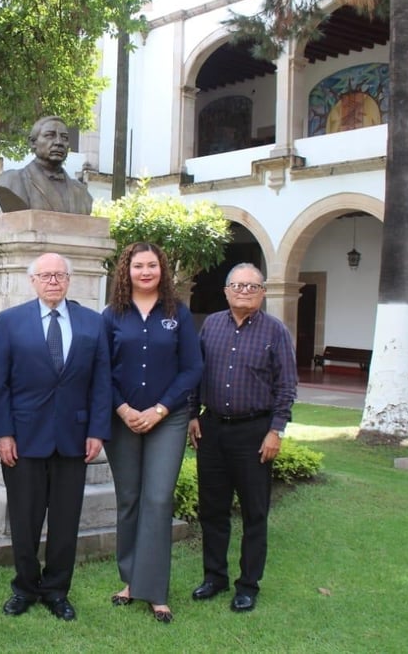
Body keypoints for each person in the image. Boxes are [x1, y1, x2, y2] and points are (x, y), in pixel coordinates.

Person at [0, 252, 111, 622]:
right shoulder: (10, 322)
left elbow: (101, 382)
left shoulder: (93, 323)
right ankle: (25, 588)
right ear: (33, 281)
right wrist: (4, 433)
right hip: (24, 438)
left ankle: (57, 591)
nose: (53, 281)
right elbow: (0, 384)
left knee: (65, 521)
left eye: (60, 275)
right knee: (24, 521)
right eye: (46, 275)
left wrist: (97, 431)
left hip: (74, 439)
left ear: (69, 280)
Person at [101, 243, 203, 624]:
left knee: (158, 500)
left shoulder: (179, 314)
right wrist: (124, 409)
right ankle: (130, 582)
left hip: (168, 418)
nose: (146, 272)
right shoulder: (112, 316)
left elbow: (192, 368)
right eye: (138, 266)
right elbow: (101, 370)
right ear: (126, 271)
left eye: (153, 265)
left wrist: (160, 409)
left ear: (162, 269)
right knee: (129, 499)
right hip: (122, 419)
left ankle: (156, 591)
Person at [187, 263, 297, 614]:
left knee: (254, 512)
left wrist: (275, 430)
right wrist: (192, 415)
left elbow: (286, 386)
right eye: (238, 285)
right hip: (213, 428)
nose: (244, 291)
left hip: (255, 432)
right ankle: (214, 577)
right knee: (213, 510)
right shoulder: (211, 326)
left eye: (252, 286)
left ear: (263, 293)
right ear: (226, 290)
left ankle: (248, 584)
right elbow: (196, 374)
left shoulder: (275, 331)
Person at [0, 116, 94, 215]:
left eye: (64, 138)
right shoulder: (11, 181)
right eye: (50, 135)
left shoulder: (82, 192)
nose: (59, 142)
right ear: (33, 143)